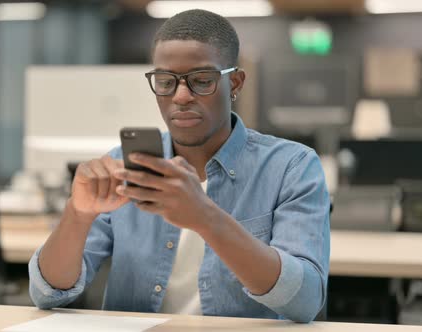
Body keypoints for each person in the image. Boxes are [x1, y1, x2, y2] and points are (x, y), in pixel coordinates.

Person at [29, 9, 330, 323]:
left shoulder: (291, 167)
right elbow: (47, 292)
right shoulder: (122, 165)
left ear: (235, 82)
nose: (181, 96)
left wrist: (206, 218)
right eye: (165, 81)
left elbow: (305, 301)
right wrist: (78, 215)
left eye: (201, 81)